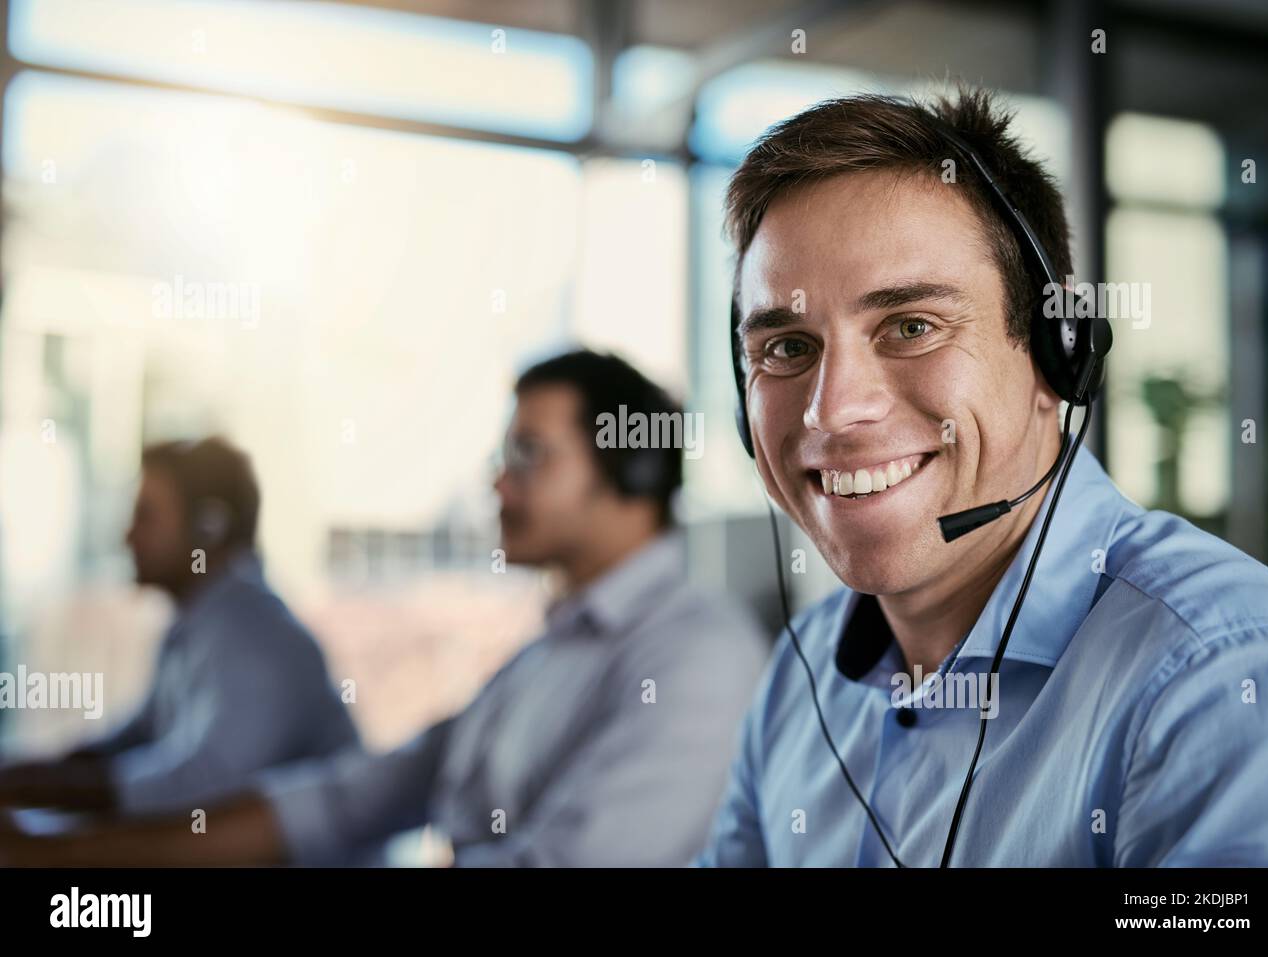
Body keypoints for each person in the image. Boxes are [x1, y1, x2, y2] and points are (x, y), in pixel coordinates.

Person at [695, 89, 1268, 867]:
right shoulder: (802, 673)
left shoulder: (1225, 674)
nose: (834, 410)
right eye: (786, 348)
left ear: (1059, 357)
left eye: (911, 327)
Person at [1, 350, 768, 866]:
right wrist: (50, 853)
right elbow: (349, 796)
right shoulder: (548, 653)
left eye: (529, 457)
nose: (498, 487)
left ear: (631, 467)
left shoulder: (696, 656)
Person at [0, 437, 358, 816]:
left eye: (146, 516)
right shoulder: (200, 622)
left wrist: (40, 789)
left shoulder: (257, 638)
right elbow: (139, 736)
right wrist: (35, 774)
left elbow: (202, 792)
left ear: (208, 530)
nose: (128, 537)